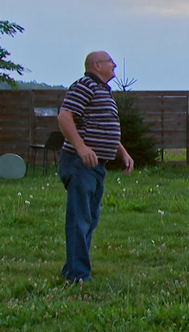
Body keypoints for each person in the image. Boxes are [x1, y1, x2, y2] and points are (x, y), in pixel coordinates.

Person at [57, 51, 134, 283]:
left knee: (88, 219)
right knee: (80, 220)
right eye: (110, 61)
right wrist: (81, 147)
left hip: (96, 166)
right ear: (97, 65)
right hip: (80, 163)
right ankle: (79, 275)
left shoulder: (103, 91)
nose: (114, 65)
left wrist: (122, 152)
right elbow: (64, 116)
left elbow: (103, 125)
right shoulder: (85, 85)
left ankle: (72, 270)